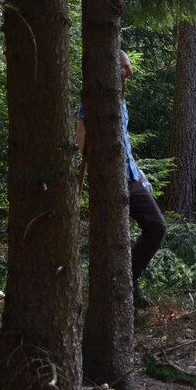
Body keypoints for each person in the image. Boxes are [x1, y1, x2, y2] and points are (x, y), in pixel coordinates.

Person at [76, 50, 166, 307]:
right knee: (111, 238)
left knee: (157, 226)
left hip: (130, 175)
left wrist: (139, 170)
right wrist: (73, 167)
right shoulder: (92, 99)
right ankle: (112, 291)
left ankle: (130, 280)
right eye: (124, 67)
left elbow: (123, 141)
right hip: (107, 178)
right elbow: (81, 134)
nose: (130, 72)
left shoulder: (121, 100)